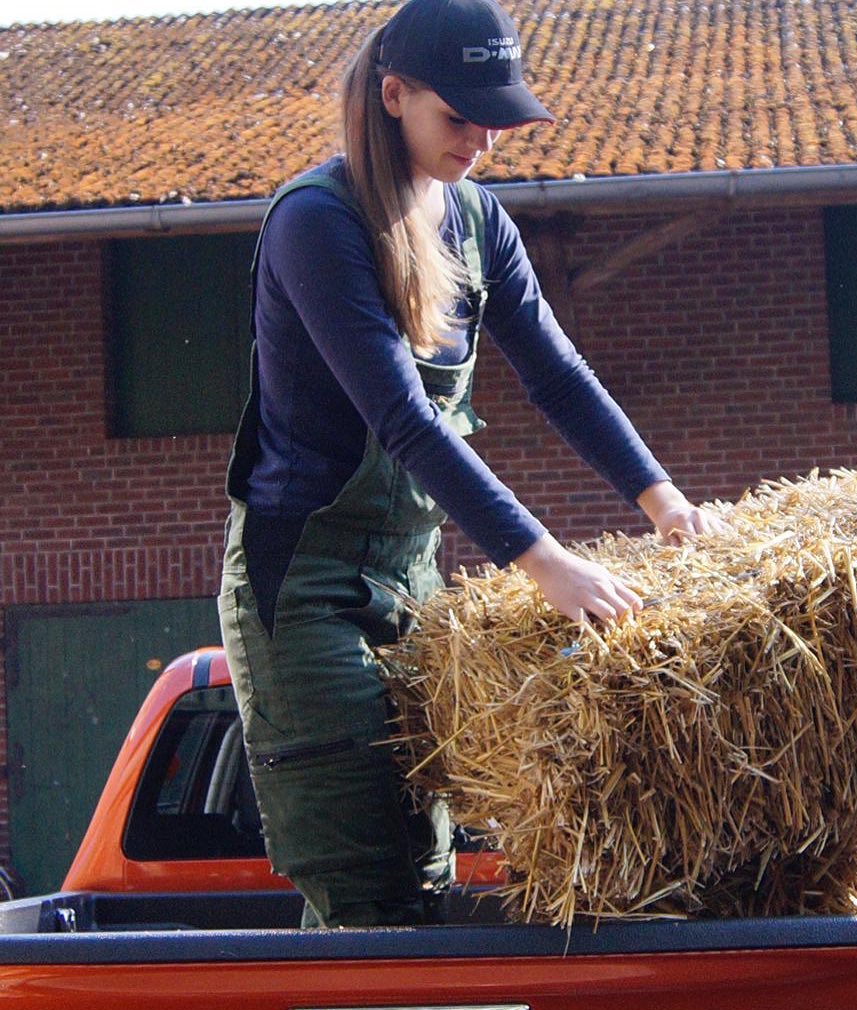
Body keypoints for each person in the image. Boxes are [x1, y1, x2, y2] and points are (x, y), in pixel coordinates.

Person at [218, 0, 718, 929]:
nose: (482, 141)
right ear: (393, 93)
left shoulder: (480, 223)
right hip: (302, 583)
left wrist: (665, 502)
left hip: (410, 572)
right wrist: (545, 563)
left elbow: (561, 379)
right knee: (364, 870)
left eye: (497, 120)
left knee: (429, 857)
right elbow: (404, 420)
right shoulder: (314, 222)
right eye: (461, 118)